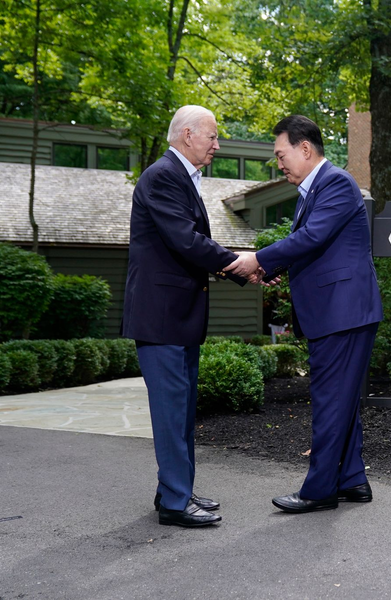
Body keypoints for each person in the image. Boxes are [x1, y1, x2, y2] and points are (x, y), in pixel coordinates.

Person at [224, 115, 383, 513]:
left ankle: (319, 490)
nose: (278, 163)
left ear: (305, 149)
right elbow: (310, 245)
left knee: (330, 401)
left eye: (281, 155)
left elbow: (311, 237)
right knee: (342, 399)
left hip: (342, 312)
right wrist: (272, 268)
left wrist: (258, 259)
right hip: (339, 312)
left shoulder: (336, 183)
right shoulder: (312, 191)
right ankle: (352, 479)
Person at [122, 105, 247, 527]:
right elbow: (186, 241)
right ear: (188, 135)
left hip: (179, 318)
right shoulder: (162, 176)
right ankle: (176, 503)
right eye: (212, 136)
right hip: (161, 319)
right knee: (172, 413)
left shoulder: (180, 177)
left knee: (182, 410)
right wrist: (239, 265)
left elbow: (187, 245)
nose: (217, 145)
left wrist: (238, 268)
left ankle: (174, 490)